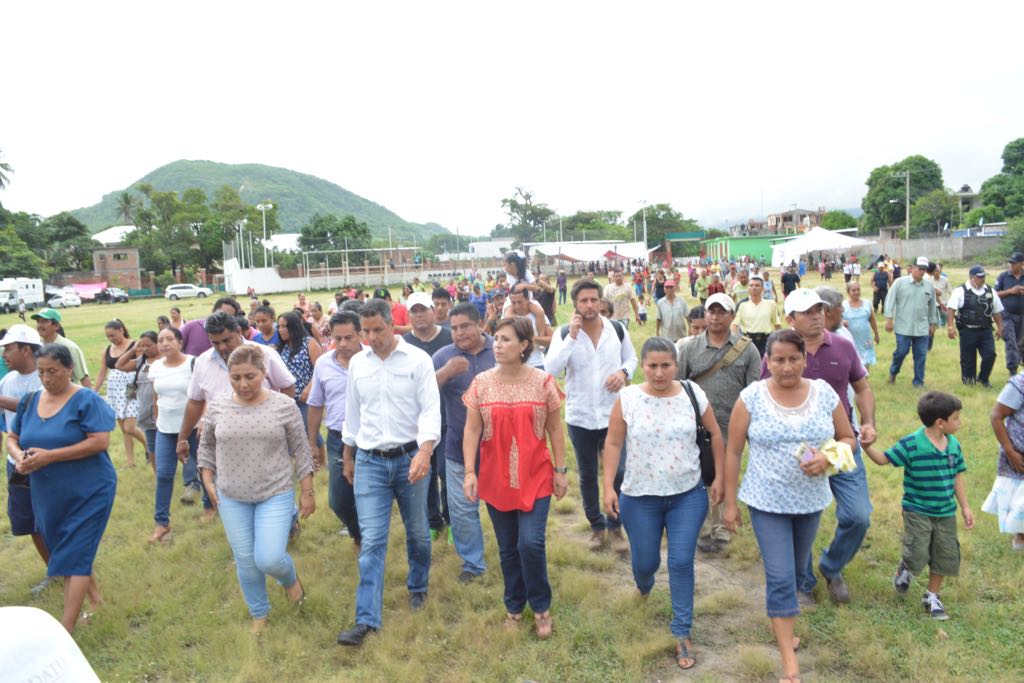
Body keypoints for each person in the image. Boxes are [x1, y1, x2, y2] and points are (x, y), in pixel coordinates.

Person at [723, 330, 856, 683]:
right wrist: (730, 503)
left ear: (804, 359)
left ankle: (784, 621)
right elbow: (733, 451)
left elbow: (848, 439)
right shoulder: (751, 398)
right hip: (766, 501)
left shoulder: (824, 393)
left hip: (810, 501)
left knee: (796, 574)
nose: (786, 367)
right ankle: (790, 665)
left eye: (793, 359)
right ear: (767, 361)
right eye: (778, 360)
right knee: (781, 578)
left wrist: (828, 458)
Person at [602, 337, 724, 670]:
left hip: (687, 494)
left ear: (676, 365)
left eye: (666, 365)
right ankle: (644, 584)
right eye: (652, 366)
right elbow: (613, 443)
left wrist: (721, 479)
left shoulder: (692, 394)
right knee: (646, 563)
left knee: (682, 561)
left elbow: (714, 434)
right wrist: (608, 487)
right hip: (639, 497)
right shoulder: (627, 398)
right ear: (643, 365)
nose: (659, 373)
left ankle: (682, 631)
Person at [336, 299, 441, 647]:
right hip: (369, 462)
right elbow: (352, 414)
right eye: (365, 332)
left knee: (418, 533)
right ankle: (367, 620)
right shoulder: (358, 365)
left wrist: (425, 451)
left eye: (377, 330)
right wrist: (348, 456)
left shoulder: (418, 360)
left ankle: (418, 587)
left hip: (411, 458)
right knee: (373, 540)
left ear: (391, 326)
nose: (370, 338)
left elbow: (430, 411)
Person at [197, 345, 314, 633]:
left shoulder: (283, 406)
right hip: (231, 495)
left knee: (270, 557)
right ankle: (259, 612)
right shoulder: (219, 406)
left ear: (264, 372)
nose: (243, 384)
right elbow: (207, 447)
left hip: (274, 492)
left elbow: (301, 448)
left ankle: (290, 580)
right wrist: (208, 480)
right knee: (246, 560)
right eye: (236, 378)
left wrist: (307, 491)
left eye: (250, 376)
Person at [463, 318, 567, 638]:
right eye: (495, 338)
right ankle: (513, 606)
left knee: (530, 543)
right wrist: (470, 472)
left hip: (535, 475)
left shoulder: (543, 382)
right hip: (495, 478)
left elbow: (554, 429)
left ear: (524, 346)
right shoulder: (481, 383)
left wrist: (560, 471)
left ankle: (541, 606)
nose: (497, 344)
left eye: (505, 339)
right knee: (508, 547)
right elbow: (472, 429)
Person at [9, 344, 118, 634]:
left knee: (76, 552)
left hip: (89, 488)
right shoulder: (30, 401)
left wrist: (50, 456)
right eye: (42, 372)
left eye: (53, 372)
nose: (46, 378)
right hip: (46, 491)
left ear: (68, 369)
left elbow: (99, 442)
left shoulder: (85, 400)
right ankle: (96, 600)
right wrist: (20, 457)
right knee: (62, 546)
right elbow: (12, 437)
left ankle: (65, 629)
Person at [778, 288, 877, 604]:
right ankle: (803, 582)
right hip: (799, 448)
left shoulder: (844, 346)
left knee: (858, 515)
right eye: (807, 311)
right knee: (801, 515)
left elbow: (862, 388)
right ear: (791, 319)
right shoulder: (780, 352)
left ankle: (831, 566)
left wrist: (868, 421)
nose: (817, 315)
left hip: (842, 442)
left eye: (819, 309)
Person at [176, 312, 296, 523]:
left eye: (226, 340)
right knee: (232, 489)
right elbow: (195, 402)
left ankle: (286, 516)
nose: (222, 348)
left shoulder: (264, 354)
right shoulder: (203, 362)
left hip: (265, 437)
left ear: (238, 332)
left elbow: (287, 386)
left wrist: (280, 422)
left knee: (269, 484)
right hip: (224, 441)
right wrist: (183, 437)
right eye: (215, 343)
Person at [862, 392, 972, 621]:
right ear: (940, 423)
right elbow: (884, 459)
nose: (959, 423)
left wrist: (965, 507)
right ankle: (906, 567)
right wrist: (866, 447)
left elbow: (957, 477)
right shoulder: (913, 443)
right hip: (917, 510)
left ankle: (932, 596)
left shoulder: (954, 445)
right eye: (956, 418)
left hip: (945, 512)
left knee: (945, 554)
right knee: (918, 552)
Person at [545, 279, 637, 553]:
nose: (589, 305)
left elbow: (631, 359)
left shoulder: (617, 330)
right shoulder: (563, 334)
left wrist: (623, 373)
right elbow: (552, 368)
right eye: (583, 301)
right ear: (575, 304)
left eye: (593, 300)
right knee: (587, 474)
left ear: (601, 301)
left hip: (613, 414)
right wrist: (572, 337)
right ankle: (596, 526)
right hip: (581, 416)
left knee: (618, 472)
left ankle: (616, 525)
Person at [677, 293, 760, 554]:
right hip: (695, 424)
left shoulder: (747, 349)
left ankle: (720, 528)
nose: (714, 316)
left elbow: (755, 390)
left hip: (731, 425)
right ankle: (700, 527)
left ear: (732, 316)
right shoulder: (689, 348)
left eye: (721, 311)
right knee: (696, 474)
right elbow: (678, 385)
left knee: (724, 474)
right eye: (710, 311)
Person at [433, 302, 495, 582]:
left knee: (504, 508)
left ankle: (512, 552)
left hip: (500, 450)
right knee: (461, 511)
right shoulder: (443, 356)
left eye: (465, 326)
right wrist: (446, 372)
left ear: (480, 324)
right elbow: (424, 394)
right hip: (457, 449)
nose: (458, 333)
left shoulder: (500, 349)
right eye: (453, 328)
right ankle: (473, 563)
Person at [307, 311, 363, 545]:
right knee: (338, 500)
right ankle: (358, 534)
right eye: (336, 338)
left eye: (348, 338)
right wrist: (311, 442)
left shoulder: (371, 360)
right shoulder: (323, 364)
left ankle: (368, 541)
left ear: (360, 335)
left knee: (367, 496)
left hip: (368, 438)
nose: (342, 344)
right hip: (337, 440)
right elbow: (316, 404)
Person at [402, 292, 454, 540]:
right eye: (414, 311)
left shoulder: (449, 337)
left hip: (448, 417)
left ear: (434, 311)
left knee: (448, 472)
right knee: (426, 473)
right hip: (415, 421)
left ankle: (453, 519)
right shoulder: (403, 343)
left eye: (423, 309)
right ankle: (434, 520)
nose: (419, 315)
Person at [0, 326, 48, 591]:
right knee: (30, 522)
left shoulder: (45, 377)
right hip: (16, 463)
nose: (4, 354)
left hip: (45, 462)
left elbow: (36, 405)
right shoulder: (7, 381)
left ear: (26, 349)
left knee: (54, 519)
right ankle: (53, 570)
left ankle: (71, 570)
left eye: (8, 348)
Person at [147, 327, 200, 542]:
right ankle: (161, 523)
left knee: (206, 469)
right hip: (165, 429)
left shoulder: (192, 363)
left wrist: (203, 421)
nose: (165, 343)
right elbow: (155, 395)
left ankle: (209, 507)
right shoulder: (156, 367)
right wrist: (156, 418)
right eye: (161, 340)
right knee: (164, 474)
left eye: (170, 339)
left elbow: (201, 395)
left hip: (193, 429)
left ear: (179, 341)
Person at [94, 320, 147, 468]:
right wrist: (94, 391)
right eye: (108, 336)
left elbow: (141, 366)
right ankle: (130, 462)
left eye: (113, 335)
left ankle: (149, 447)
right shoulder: (107, 350)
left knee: (130, 427)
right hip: (114, 390)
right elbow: (102, 372)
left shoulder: (134, 345)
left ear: (121, 330)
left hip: (131, 386)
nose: (111, 339)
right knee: (123, 428)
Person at [276, 311, 324, 470]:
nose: (281, 330)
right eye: (279, 326)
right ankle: (301, 465)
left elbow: (320, 368)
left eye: (285, 326)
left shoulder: (308, 342)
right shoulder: (283, 346)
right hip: (288, 398)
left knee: (311, 430)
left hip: (306, 397)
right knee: (292, 433)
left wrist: (309, 387)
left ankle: (321, 463)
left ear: (294, 326)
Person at [884, 256, 940, 387]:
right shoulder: (900, 283)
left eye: (924, 269)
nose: (921, 272)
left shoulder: (928, 286)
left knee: (921, 355)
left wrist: (933, 324)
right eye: (919, 269)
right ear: (913, 268)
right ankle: (893, 372)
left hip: (922, 328)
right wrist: (889, 319)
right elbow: (890, 301)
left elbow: (932, 307)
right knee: (901, 351)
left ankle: (918, 382)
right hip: (903, 326)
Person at [984, 373, 1024, 551]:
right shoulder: (1019, 384)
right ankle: (1020, 538)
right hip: (1019, 456)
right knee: (1020, 503)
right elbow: (996, 416)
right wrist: (1009, 451)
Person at [946, 265, 1004, 387]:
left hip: (986, 330)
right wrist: (950, 326)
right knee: (968, 359)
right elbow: (951, 309)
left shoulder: (990, 291)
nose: (983, 279)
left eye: (984, 276)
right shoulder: (960, 291)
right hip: (967, 331)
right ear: (971, 277)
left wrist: (1000, 327)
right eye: (980, 277)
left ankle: (983, 379)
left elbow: (996, 311)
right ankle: (969, 381)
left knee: (990, 355)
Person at [114, 330, 160, 472]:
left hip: (162, 409)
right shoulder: (141, 361)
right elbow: (119, 365)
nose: (145, 349)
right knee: (152, 445)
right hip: (145, 408)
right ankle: (158, 474)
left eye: (149, 345)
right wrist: (133, 350)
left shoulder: (164, 360)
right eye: (143, 346)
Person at [31, 309, 91, 388]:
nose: (40, 325)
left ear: (56, 326)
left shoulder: (69, 347)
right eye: (38, 322)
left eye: (44, 321)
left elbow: (84, 378)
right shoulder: (37, 347)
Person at [505, 285, 551, 370]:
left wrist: (532, 339)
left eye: (520, 302)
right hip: (514, 366)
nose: (517, 306)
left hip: (536, 364)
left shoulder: (538, 314)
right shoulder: (508, 315)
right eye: (513, 303)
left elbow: (551, 340)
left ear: (527, 300)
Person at [733, 275, 780, 357]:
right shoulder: (741, 304)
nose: (754, 288)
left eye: (757, 285)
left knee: (765, 367)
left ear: (762, 289)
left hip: (766, 341)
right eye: (751, 285)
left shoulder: (771, 303)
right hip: (747, 341)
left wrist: (780, 341)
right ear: (748, 288)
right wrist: (734, 341)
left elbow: (777, 324)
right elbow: (735, 325)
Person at [995, 251, 1024, 377]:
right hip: (1007, 315)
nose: (1011, 265)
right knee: (1011, 342)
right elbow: (994, 294)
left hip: (1022, 316)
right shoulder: (1003, 277)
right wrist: (1010, 291)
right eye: (1010, 263)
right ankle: (1012, 371)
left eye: (1014, 263)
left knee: (1022, 344)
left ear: (1022, 264)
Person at [842, 280, 879, 367]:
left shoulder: (867, 304)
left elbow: (872, 320)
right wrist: (842, 323)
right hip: (850, 340)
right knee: (852, 363)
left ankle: (865, 380)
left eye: (858, 290)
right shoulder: (843, 306)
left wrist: (876, 334)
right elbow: (838, 322)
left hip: (865, 340)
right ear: (848, 292)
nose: (856, 292)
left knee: (865, 364)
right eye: (853, 290)